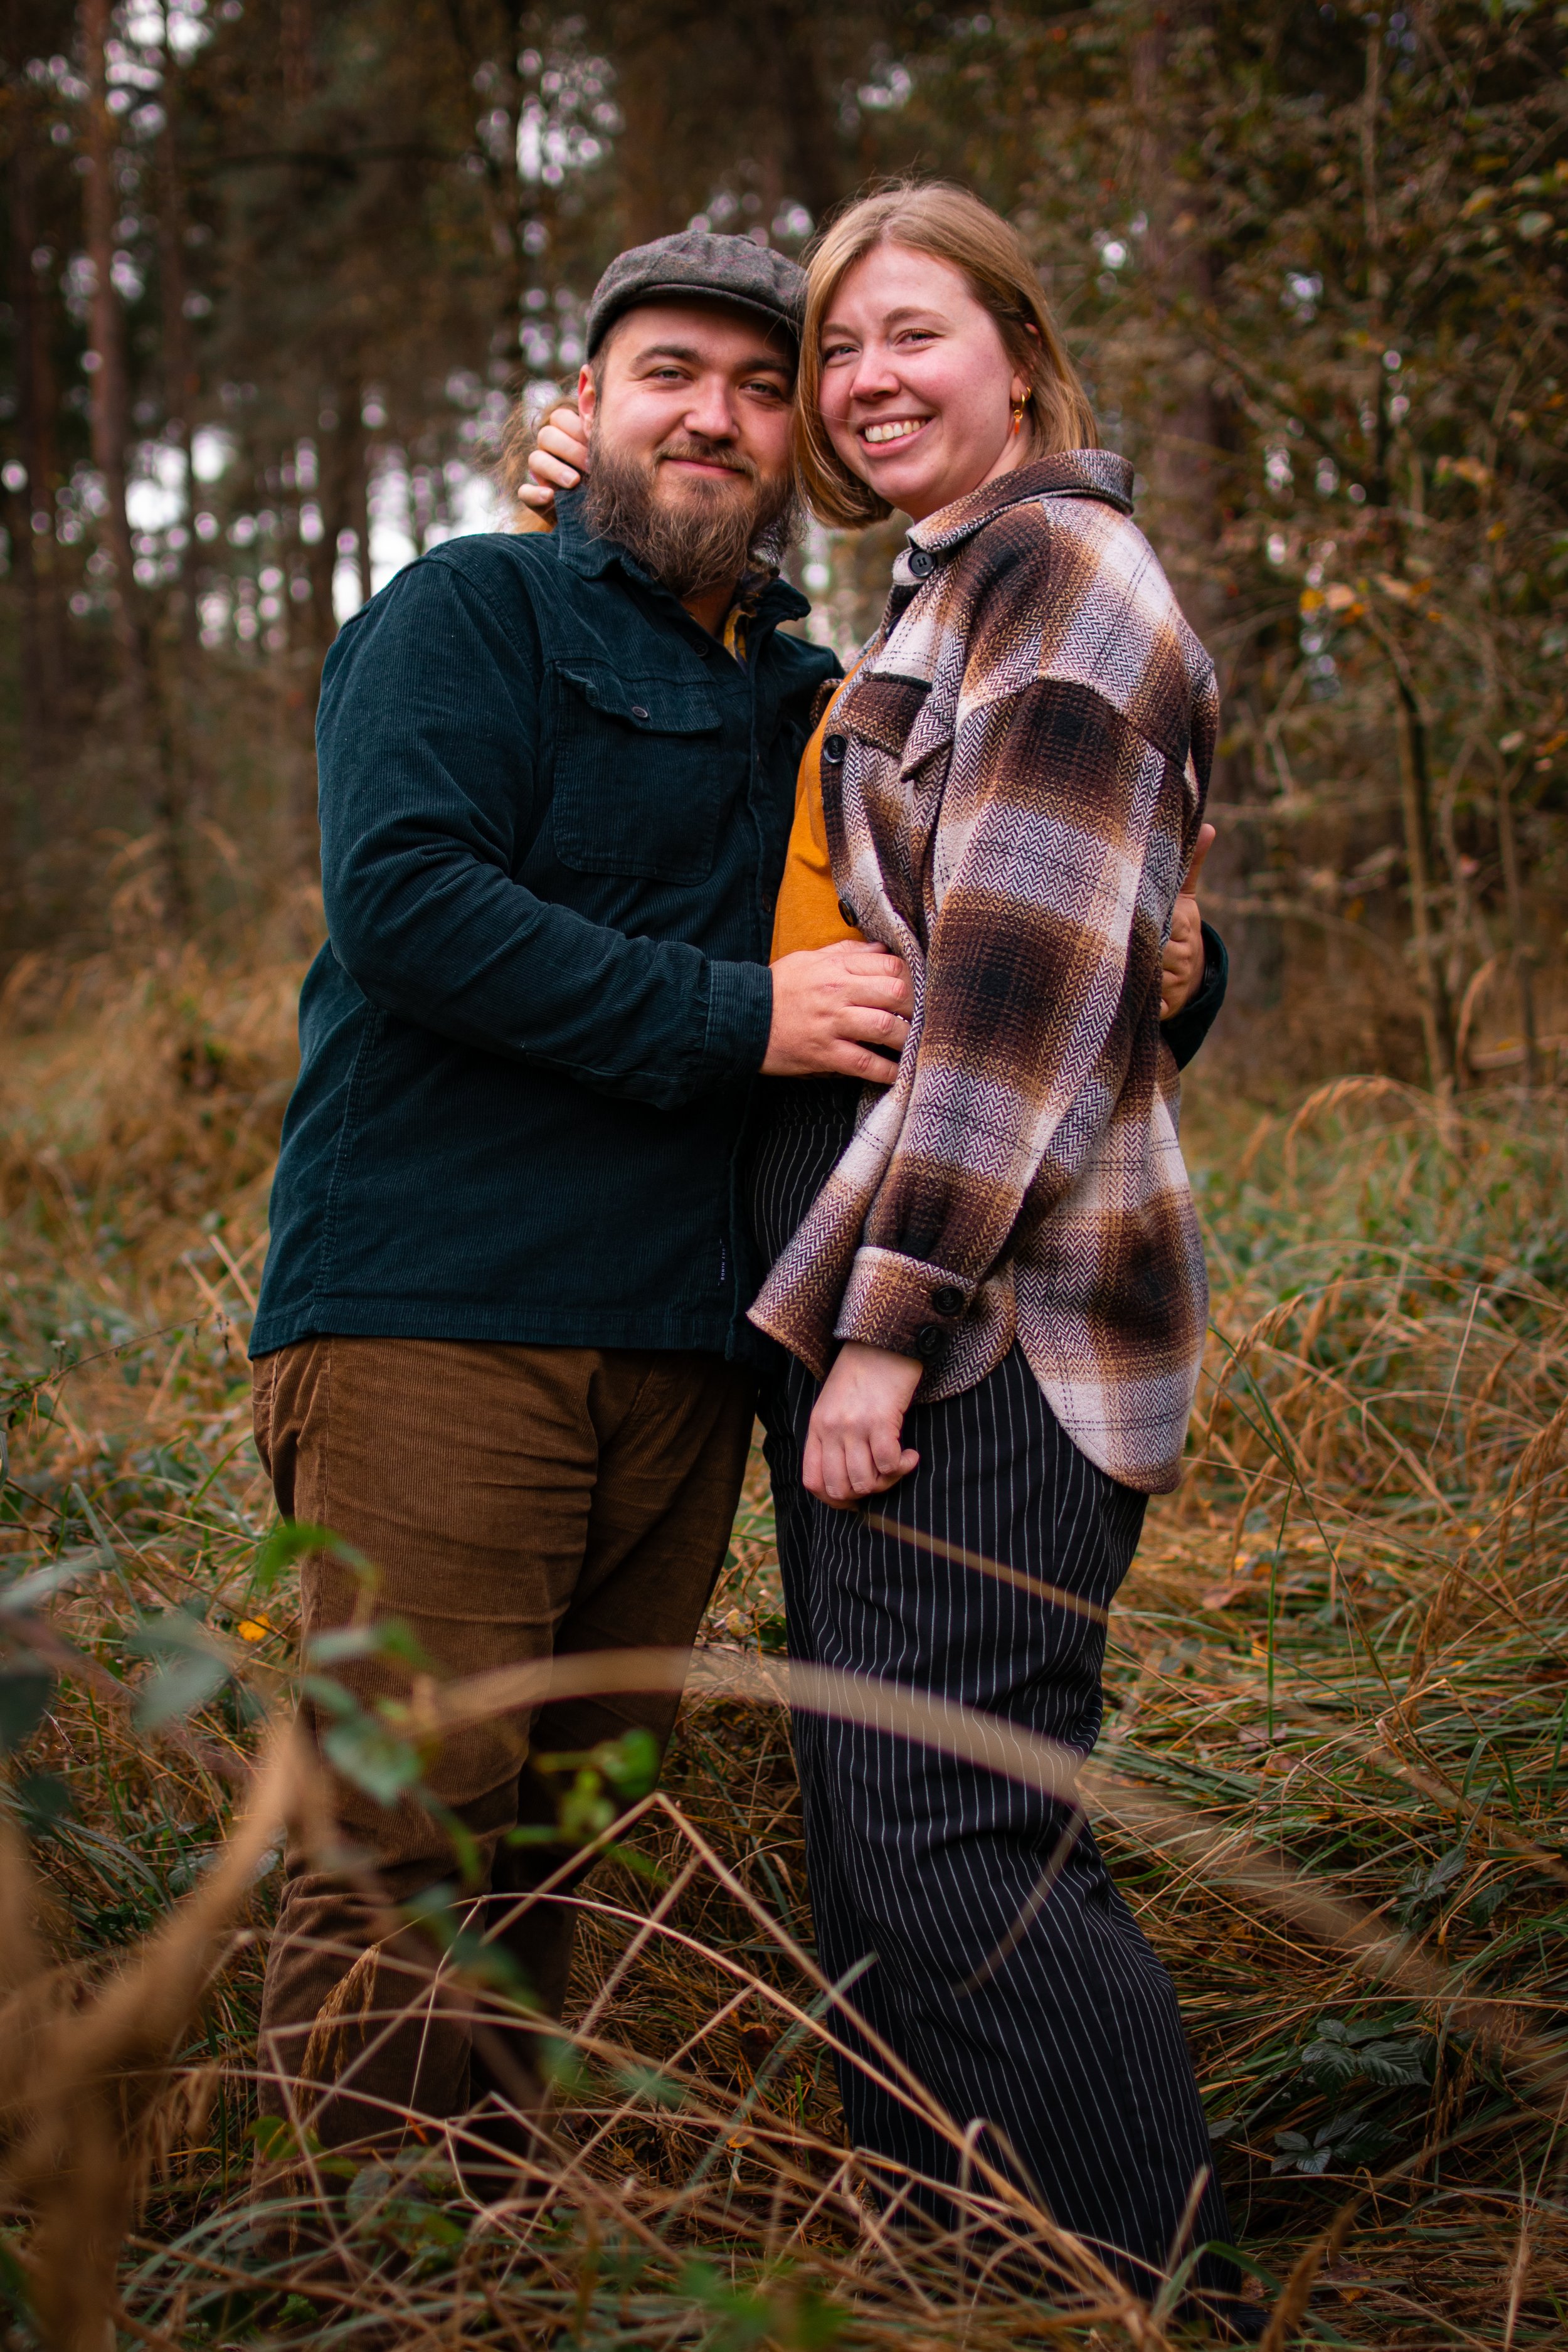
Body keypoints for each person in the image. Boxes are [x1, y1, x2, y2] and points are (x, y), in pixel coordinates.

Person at [252, 223, 1221, 2198]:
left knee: (574, 1823)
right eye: (665, 372)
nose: (716, 410)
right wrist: (744, 1015)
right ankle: (352, 2265)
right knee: (406, 1812)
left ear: (803, 443)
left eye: (756, 384)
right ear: (583, 406)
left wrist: (1173, 964)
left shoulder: (827, 686)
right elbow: (413, 905)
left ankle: (494, 2232)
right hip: (445, 1312)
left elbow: (991, 897)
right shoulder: (469, 615)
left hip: (698, 1350)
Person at [527, 185, 1251, 2328]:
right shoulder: (931, 604)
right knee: (880, 1821)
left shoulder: (1058, 578)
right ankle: (969, 2265)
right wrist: (565, 493)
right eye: (836, 352)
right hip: (900, 1316)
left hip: (990, 1329)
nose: (862, 384)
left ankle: (1155, 2298)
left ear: (1018, 353)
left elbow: (1013, 1011)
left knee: (955, 1833)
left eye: (905, 335)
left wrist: (883, 1330)